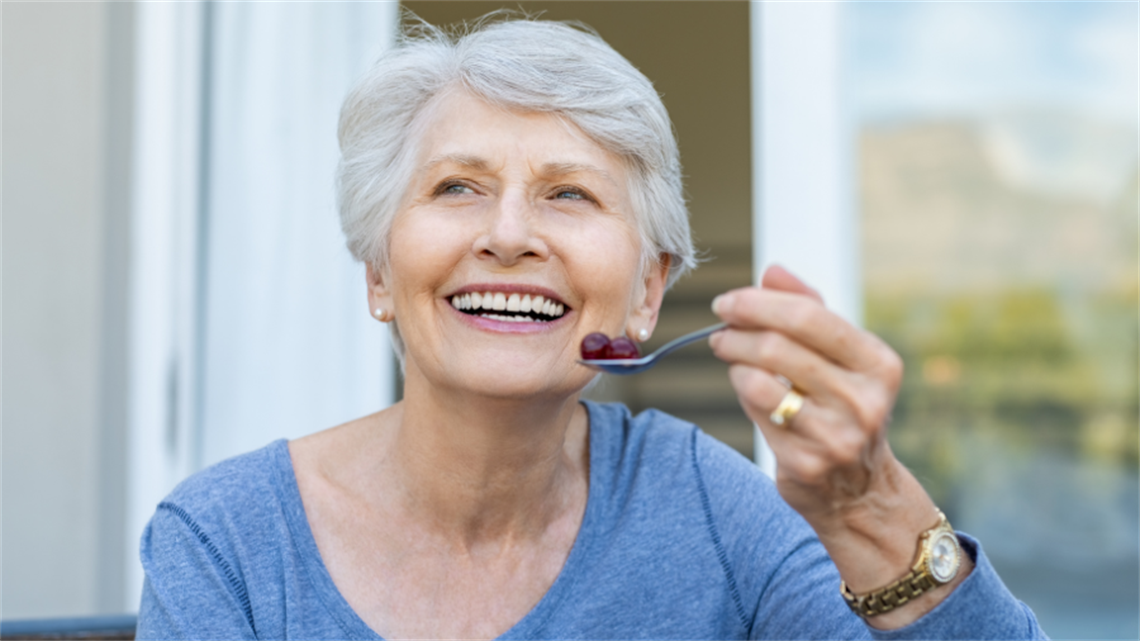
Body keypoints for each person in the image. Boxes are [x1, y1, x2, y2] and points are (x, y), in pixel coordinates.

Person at [137, 17, 1047, 640]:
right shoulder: (226, 541)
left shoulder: (709, 510)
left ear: (648, 292)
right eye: (458, 186)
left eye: (568, 194)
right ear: (378, 272)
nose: (508, 234)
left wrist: (871, 505)